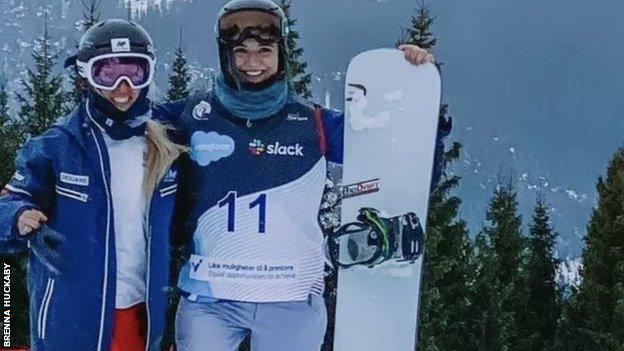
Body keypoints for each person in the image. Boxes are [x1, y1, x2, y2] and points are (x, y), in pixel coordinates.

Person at [156, 1, 450, 350]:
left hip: (291, 298)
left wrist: (415, 92)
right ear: (226, 55)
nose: (253, 64)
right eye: (242, 52)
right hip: (210, 301)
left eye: (265, 51)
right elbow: (124, 128)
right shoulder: (191, 117)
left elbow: (393, 158)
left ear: (281, 52)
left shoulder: (314, 123)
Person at [0, 19, 185, 351]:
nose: (124, 86)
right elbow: (10, 201)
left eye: (136, 72)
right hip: (71, 316)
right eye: (108, 73)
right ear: (86, 75)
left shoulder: (168, 141)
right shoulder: (59, 145)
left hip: (141, 315)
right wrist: (16, 216)